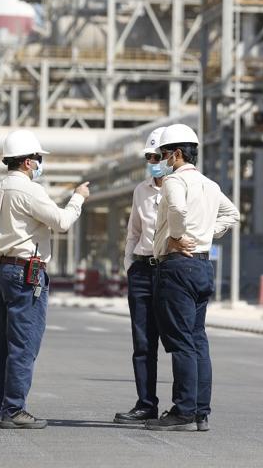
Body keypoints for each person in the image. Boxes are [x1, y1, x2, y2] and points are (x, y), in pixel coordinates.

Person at [0, 127, 89, 430]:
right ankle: (14, 409)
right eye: (39, 158)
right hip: (25, 271)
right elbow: (63, 222)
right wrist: (77, 198)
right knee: (23, 343)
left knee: (2, 343)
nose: (41, 163)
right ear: (28, 162)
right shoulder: (30, 191)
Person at [145, 123, 240, 433]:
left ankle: (183, 411)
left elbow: (176, 207)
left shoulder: (174, 181)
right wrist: (203, 234)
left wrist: (177, 236)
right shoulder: (210, 185)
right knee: (198, 341)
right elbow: (232, 215)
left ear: (175, 154)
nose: (160, 159)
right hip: (201, 266)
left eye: (162, 154)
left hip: (177, 267)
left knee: (182, 342)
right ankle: (200, 412)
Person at [114, 125, 176, 423]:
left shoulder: (184, 187)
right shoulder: (141, 190)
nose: (152, 161)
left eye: (156, 155)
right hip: (141, 269)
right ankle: (146, 404)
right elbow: (133, 232)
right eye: (149, 156)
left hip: (168, 269)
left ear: (168, 155)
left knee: (176, 340)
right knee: (143, 343)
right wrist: (129, 265)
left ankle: (183, 406)